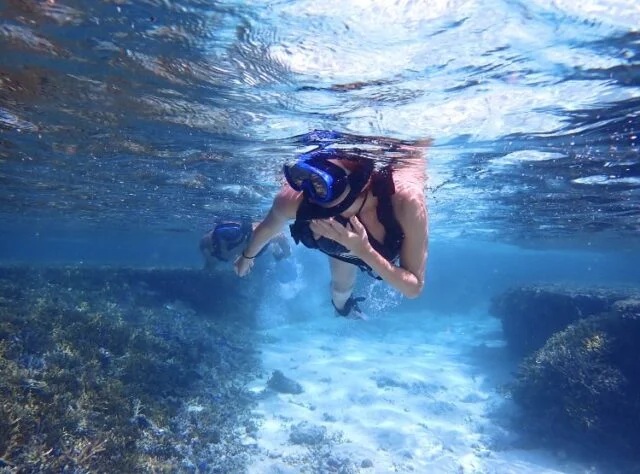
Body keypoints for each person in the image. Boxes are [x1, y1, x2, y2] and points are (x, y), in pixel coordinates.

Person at [234, 131, 428, 319]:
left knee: (341, 288)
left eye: (321, 184)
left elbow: (413, 288)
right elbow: (270, 227)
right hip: (340, 248)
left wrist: (364, 251)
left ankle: (343, 307)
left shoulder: (405, 202)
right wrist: (247, 256)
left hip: (368, 249)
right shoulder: (296, 200)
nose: (311, 195)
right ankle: (343, 308)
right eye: (302, 177)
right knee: (340, 290)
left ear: (360, 182)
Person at [200, 220, 290, 270]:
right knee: (212, 263)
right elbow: (218, 232)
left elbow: (282, 238)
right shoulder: (237, 233)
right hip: (214, 247)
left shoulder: (268, 236)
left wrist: (284, 254)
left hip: (247, 243)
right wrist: (224, 251)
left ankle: (276, 250)